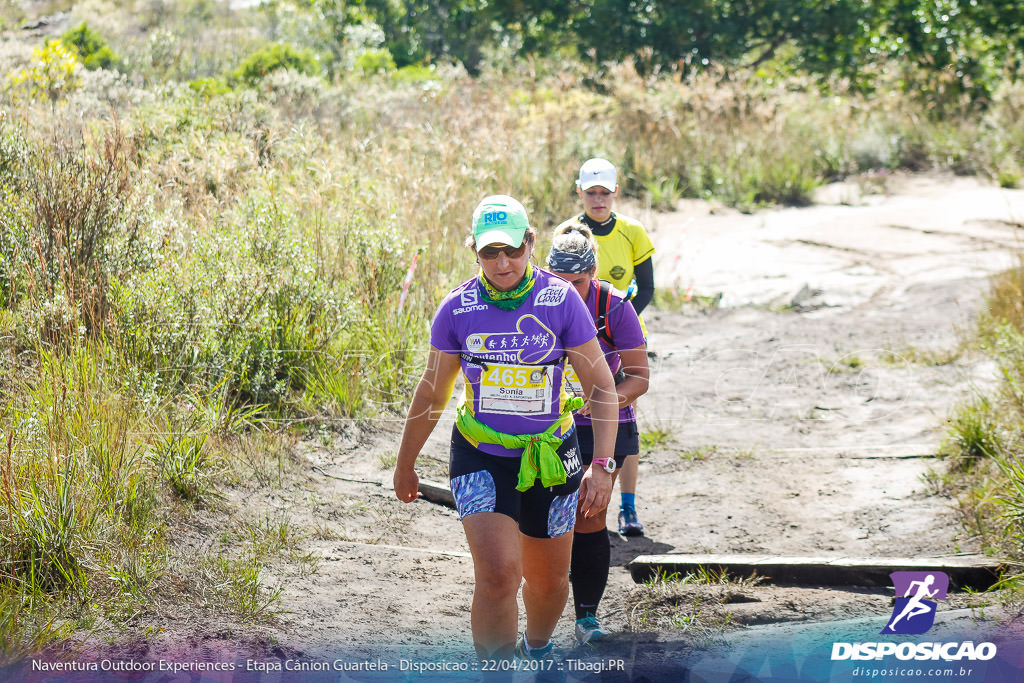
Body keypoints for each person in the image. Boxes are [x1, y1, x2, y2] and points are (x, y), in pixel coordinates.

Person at [393, 195, 620, 665]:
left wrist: (602, 466)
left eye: (512, 250)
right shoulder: (457, 308)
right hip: (481, 452)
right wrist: (405, 464)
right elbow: (433, 392)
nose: (502, 263)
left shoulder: (560, 301)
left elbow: (601, 387)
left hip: (552, 453)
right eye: (490, 252)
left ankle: (537, 647)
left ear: (531, 243)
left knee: (549, 582)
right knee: (498, 575)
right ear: (473, 249)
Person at [546, 223, 650, 645]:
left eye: (579, 282)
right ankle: (539, 621)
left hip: (606, 425)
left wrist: (608, 398)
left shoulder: (614, 306)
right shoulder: (535, 301)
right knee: (548, 519)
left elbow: (640, 377)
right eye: (561, 282)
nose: (569, 290)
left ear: (594, 272)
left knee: (589, 517)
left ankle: (586, 617)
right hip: (549, 426)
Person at [557, 157, 655, 537]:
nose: (598, 199)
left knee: (620, 415)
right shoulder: (565, 234)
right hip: (578, 326)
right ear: (580, 192)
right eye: (591, 193)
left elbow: (645, 286)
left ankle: (626, 505)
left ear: (616, 193)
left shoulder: (632, 231)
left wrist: (615, 315)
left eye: (605, 193)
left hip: (617, 330)